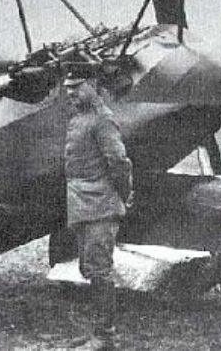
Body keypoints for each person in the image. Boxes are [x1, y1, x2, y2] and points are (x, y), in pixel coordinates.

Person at [60, 62, 133, 351]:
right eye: (68, 88)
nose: (70, 92)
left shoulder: (103, 120)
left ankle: (105, 336)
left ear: (93, 85)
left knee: (100, 270)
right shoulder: (80, 119)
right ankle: (98, 331)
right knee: (90, 268)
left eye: (76, 87)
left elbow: (119, 162)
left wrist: (124, 195)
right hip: (83, 204)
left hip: (101, 205)